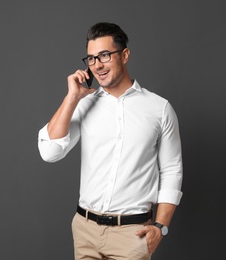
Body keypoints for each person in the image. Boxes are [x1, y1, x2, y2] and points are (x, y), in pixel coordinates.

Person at [37, 22, 183, 260]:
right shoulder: (83, 103)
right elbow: (49, 152)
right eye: (91, 58)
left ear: (124, 55)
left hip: (132, 235)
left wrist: (160, 227)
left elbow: (171, 170)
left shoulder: (159, 109)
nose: (97, 65)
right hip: (85, 231)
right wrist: (71, 97)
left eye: (104, 55)